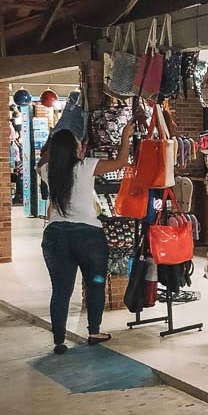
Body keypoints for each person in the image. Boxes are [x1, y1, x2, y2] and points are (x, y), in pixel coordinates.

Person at [39, 121, 134, 354]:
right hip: (88, 237)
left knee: (60, 290)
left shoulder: (46, 170)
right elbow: (121, 163)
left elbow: (45, 157)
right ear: (74, 149)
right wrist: (124, 136)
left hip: (55, 236)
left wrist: (62, 147)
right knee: (95, 285)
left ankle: (59, 340)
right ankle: (94, 331)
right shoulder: (87, 166)